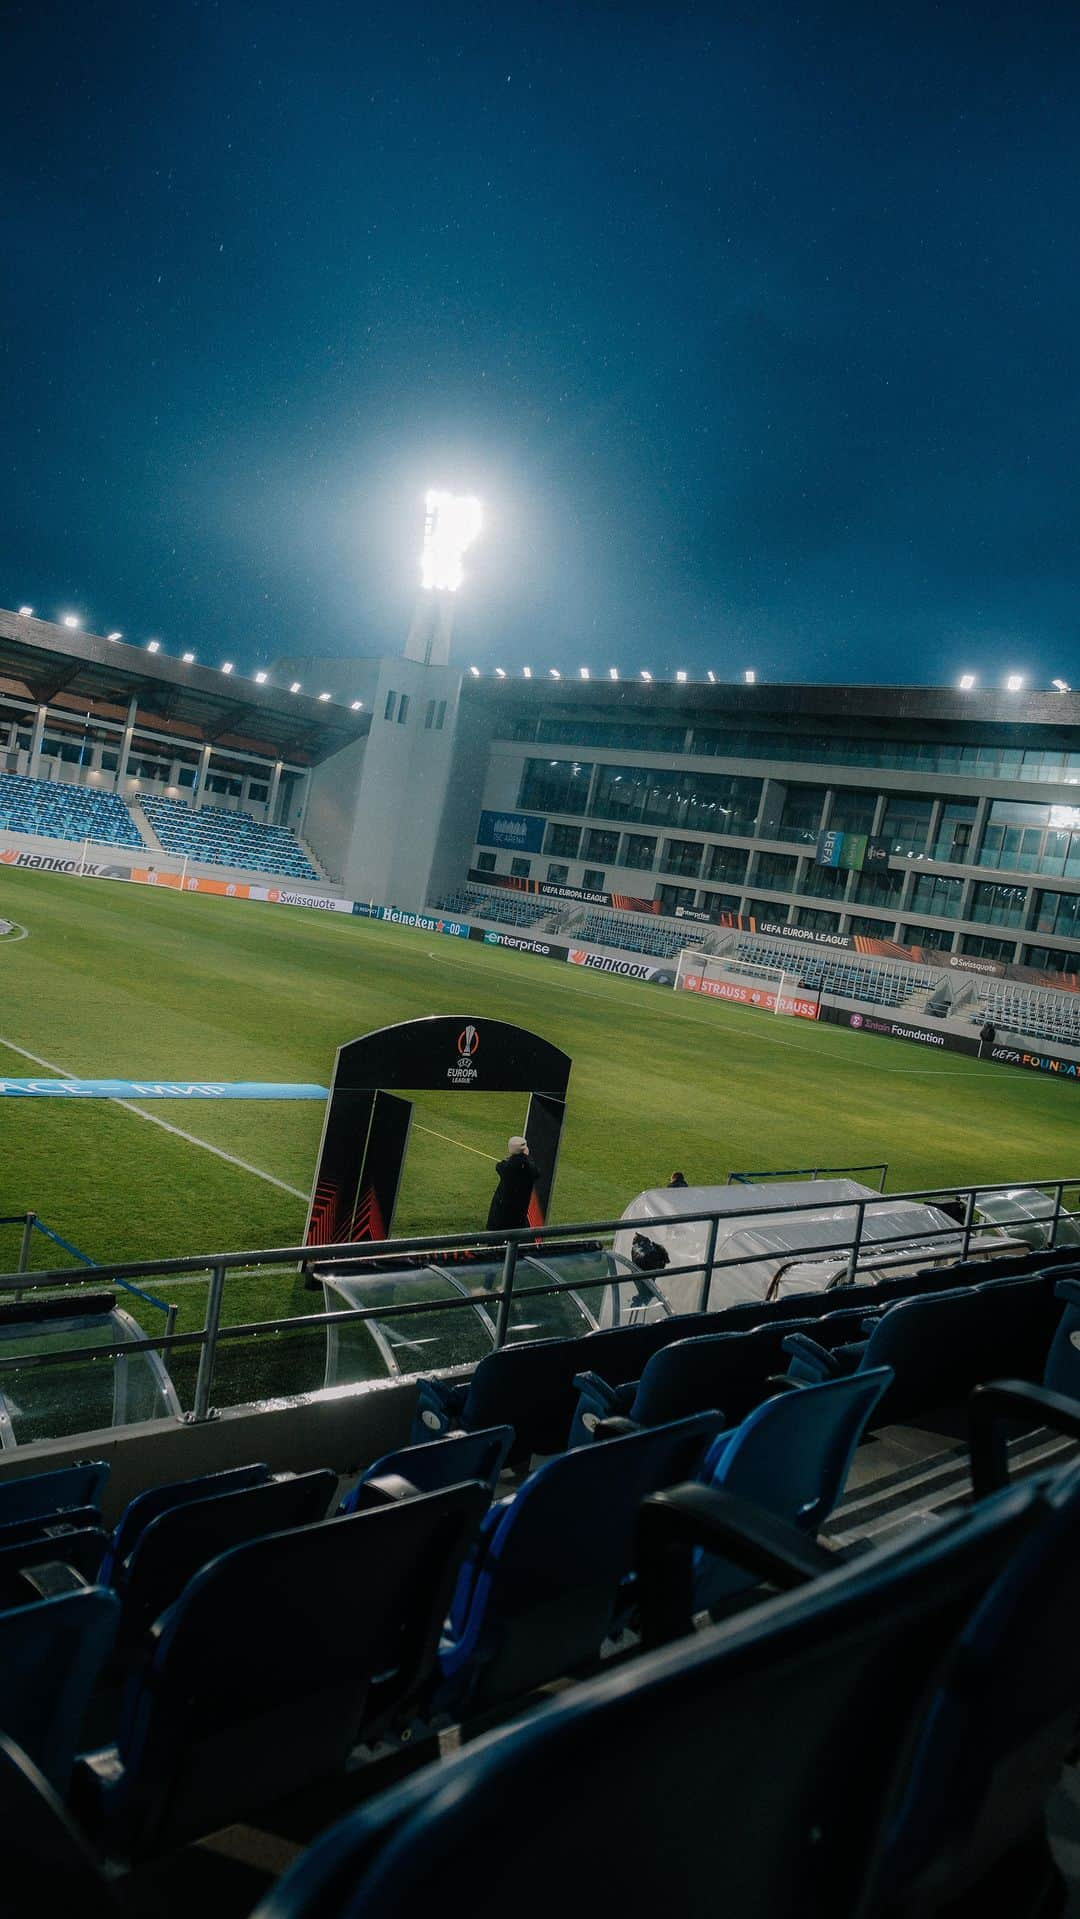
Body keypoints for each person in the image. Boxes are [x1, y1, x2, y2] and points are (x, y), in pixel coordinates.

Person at [486, 1135, 539, 1231]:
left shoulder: (507, 1167)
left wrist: (512, 1157)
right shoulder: (529, 1168)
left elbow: (499, 1166)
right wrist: (526, 1157)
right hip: (520, 1211)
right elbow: (536, 1173)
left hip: (502, 1211)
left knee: (497, 1238)